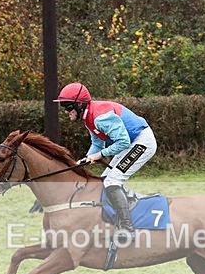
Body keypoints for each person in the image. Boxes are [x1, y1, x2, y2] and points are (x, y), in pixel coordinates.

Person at [54, 82, 156, 242]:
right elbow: (97, 144)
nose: (66, 111)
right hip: (131, 142)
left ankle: (127, 228)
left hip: (142, 141)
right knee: (104, 181)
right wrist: (87, 159)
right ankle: (120, 213)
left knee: (112, 181)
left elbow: (122, 142)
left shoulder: (100, 117)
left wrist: (98, 155)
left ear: (79, 105)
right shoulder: (88, 117)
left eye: (67, 107)